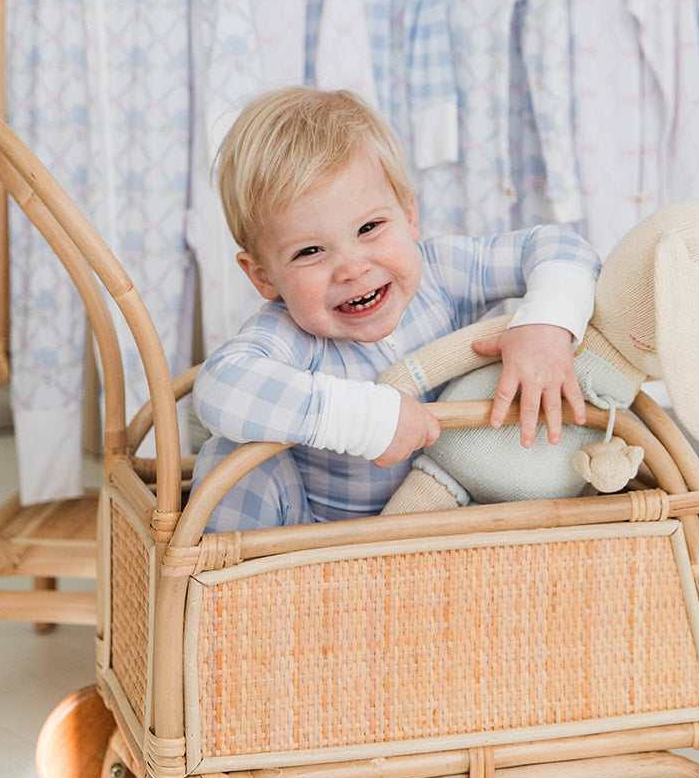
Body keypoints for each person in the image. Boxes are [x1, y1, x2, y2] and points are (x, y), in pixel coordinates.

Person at [191, 86, 598, 532]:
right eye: (310, 251)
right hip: (311, 549)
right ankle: (235, 596)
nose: (352, 267)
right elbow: (218, 386)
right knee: (230, 455)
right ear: (263, 277)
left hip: (454, 525)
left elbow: (558, 244)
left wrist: (544, 325)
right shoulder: (290, 332)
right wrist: (365, 419)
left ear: (410, 215)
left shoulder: (443, 273)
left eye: (370, 227)